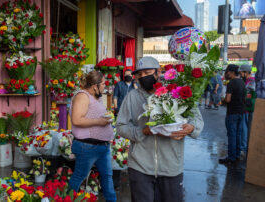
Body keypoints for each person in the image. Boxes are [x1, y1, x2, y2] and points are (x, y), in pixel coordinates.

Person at [116, 57, 204, 202]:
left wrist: (190, 128)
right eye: (140, 74)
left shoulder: (176, 93)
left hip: (171, 166)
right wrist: (142, 132)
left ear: (158, 72)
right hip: (140, 167)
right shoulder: (131, 97)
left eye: (147, 72)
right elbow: (121, 126)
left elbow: (197, 120)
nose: (143, 77)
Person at [69, 71, 116, 202]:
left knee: (107, 176)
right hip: (87, 146)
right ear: (95, 85)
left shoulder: (96, 96)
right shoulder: (82, 96)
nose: (104, 87)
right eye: (103, 84)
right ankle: (65, 199)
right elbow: (77, 120)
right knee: (79, 176)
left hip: (102, 146)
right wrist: (99, 121)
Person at [219, 64, 246, 165]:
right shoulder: (242, 82)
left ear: (231, 72)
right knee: (238, 134)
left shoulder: (232, 83)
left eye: (227, 72)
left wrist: (223, 100)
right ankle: (237, 155)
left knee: (232, 135)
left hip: (232, 113)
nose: (226, 74)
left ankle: (231, 158)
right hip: (240, 112)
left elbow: (228, 99)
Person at [239, 64, 256, 156]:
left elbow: (248, 95)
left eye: (241, 72)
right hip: (249, 108)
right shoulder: (250, 81)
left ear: (246, 72)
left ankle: (244, 148)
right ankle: (245, 147)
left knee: (244, 128)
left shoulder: (250, 82)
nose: (240, 74)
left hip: (247, 109)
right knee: (247, 128)